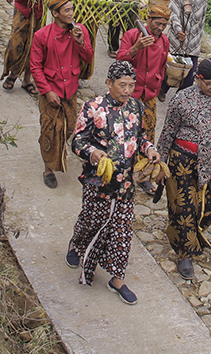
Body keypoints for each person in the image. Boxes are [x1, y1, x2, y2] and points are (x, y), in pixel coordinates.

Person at [67, 61, 161, 304]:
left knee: (121, 230)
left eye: (131, 85)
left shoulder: (137, 108)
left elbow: (141, 137)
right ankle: (76, 244)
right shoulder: (93, 108)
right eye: (122, 85)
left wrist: (149, 149)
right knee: (92, 220)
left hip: (125, 184)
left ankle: (117, 278)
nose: (128, 90)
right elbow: (77, 140)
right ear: (109, 83)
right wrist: (92, 153)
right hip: (98, 181)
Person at [157, 58, 211, 279]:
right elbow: (168, 132)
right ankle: (184, 251)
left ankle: (193, 231)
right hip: (183, 162)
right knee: (183, 207)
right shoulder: (182, 98)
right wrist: (162, 163)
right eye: (209, 83)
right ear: (198, 79)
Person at [30, 0, 94, 189]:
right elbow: (35, 66)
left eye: (72, 9)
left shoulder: (79, 30)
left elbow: (88, 57)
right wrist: (47, 91)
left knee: (68, 128)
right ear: (55, 13)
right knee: (50, 129)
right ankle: (49, 168)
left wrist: (81, 41)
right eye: (66, 10)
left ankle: (50, 147)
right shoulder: (41, 35)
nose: (71, 14)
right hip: (50, 89)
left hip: (70, 89)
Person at [116, 5, 171, 193]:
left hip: (149, 96)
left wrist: (157, 84)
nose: (160, 28)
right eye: (158, 23)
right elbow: (120, 59)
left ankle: (143, 175)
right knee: (122, 132)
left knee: (147, 134)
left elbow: (162, 66)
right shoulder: (132, 35)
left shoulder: (164, 41)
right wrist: (136, 48)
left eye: (164, 24)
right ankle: (119, 169)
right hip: (129, 94)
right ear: (149, 19)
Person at [160, 0, 209, 101]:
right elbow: (173, 14)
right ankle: (162, 89)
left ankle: (179, 102)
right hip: (177, 41)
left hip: (193, 46)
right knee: (170, 72)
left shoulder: (203, 0)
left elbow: (201, 23)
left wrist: (197, 41)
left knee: (188, 78)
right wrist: (178, 31)